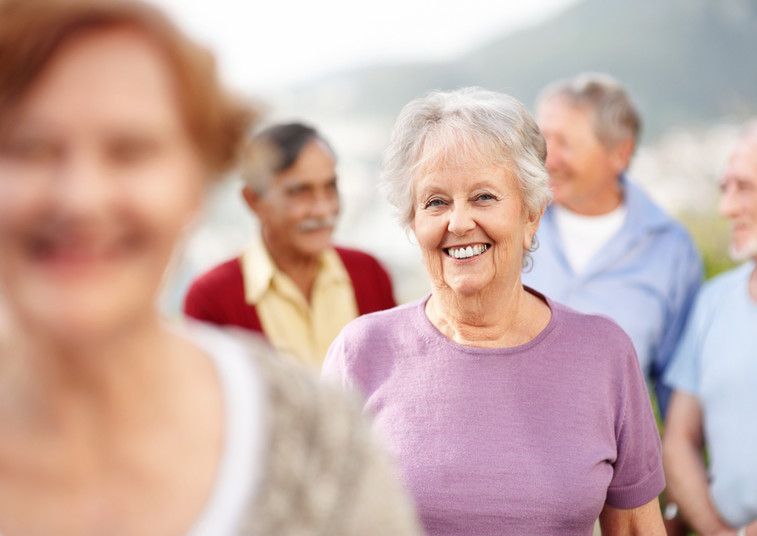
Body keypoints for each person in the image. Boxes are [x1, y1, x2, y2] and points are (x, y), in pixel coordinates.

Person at [0, 1, 423, 534]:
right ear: (253, 201)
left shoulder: (322, 448)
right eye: (30, 148)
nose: (81, 198)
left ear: (195, 185)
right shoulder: (215, 293)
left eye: (130, 151)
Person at [322, 87, 666, 535]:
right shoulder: (362, 351)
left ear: (532, 215)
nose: (459, 222)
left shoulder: (604, 353)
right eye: (435, 202)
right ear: (413, 222)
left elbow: (639, 530)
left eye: (484, 197)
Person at [521, 73, 702, 415]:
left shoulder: (671, 249)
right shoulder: (510, 222)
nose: (548, 159)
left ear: (620, 153)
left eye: (566, 144)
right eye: (542, 142)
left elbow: (676, 390)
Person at [662, 114, 757, 536]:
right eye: (725, 188)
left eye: (744, 187)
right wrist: (716, 531)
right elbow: (678, 440)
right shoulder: (714, 300)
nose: (726, 207)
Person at [184, 122, 396, 368]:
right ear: (254, 201)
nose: (322, 209)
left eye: (330, 188)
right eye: (300, 192)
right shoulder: (212, 299)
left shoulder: (370, 275)